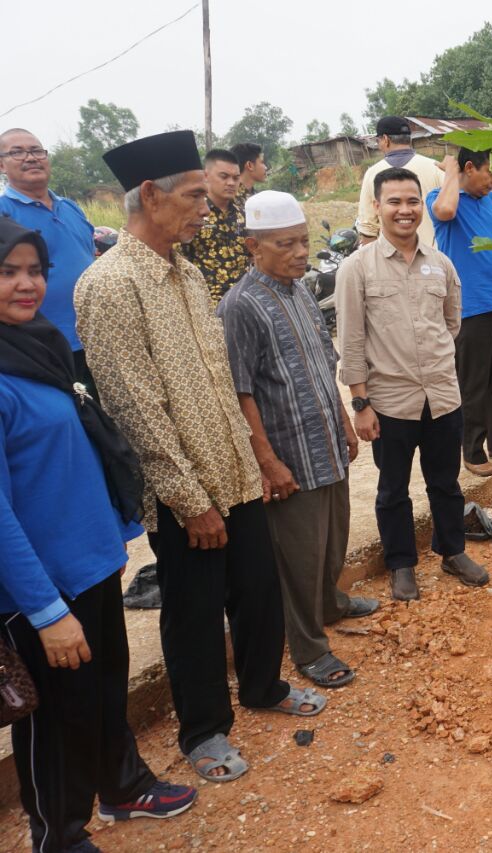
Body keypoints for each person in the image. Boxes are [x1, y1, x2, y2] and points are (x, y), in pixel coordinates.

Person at [75, 131, 324, 785]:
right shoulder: (109, 286)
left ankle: (264, 686)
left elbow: (217, 380)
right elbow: (136, 411)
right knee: (192, 613)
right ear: (150, 196)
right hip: (187, 492)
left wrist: (255, 460)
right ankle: (204, 730)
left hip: (235, 471)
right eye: (194, 196)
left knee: (257, 589)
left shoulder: (186, 274)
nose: (207, 209)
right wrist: (189, 500)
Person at [0, 220, 197, 853]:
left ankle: (122, 785)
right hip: (42, 589)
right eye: (8, 271)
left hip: (89, 564)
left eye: (35, 270)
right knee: (55, 719)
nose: (26, 284)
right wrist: (45, 611)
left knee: (105, 688)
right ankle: (57, 834)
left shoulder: (36, 344)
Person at [218, 190, 378, 688]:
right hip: (289, 456)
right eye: (286, 244)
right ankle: (309, 649)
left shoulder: (302, 290)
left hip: (327, 443)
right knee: (299, 560)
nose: (300, 253)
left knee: (333, 542)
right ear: (253, 246)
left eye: (303, 241)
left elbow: (320, 365)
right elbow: (240, 392)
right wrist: (266, 461)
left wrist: (345, 423)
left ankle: (331, 604)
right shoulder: (240, 306)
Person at [339, 167, 489, 600]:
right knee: (392, 489)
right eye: (394, 202)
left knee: (445, 483)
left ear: (422, 206)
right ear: (377, 207)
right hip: (390, 403)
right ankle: (401, 563)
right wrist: (360, 402)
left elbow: (451, 324)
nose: (404, 211)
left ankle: (452, 551)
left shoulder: (440, 264)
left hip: (442, 396)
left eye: (412, 202)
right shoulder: (357, 269)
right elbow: (351, 340)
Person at [428, 147, 492, 478]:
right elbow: (443, 211)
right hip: (469, 307)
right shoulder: (442, 198)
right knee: (473, 382)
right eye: (489, 172)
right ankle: (472, 450)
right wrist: (450, 173)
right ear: (468, 168)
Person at [0, 128, 98, 390]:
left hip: (95, 336)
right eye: (17, 152)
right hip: (46, 342)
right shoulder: (3, 213)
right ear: (1, 165)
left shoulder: (70, 208)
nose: (30, 158)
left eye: (36, 151)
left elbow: (89, 255)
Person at [356, 116, 444, 247]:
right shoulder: (436, 167)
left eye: (378, 140)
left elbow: (368, 226)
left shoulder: (372, 173)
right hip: (433, 257)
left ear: (385, 139)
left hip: (390, 260)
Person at [180, 148, 248, 304]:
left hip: (243, 304)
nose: (231, 183)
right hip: (207, 305)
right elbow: (180, 261)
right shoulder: (192, 215)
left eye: (236, 178)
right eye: (224, 176)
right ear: (206, 176)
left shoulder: (243, 216)